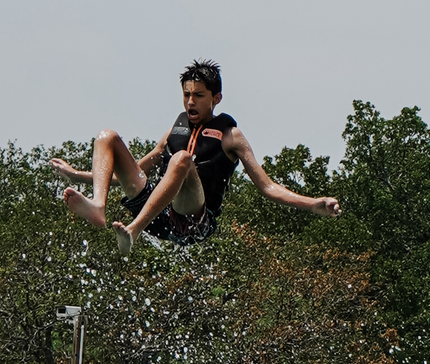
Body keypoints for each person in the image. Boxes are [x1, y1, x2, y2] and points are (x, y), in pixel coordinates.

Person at [52, 59, 340, 252]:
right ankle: (98, 207)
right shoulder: (174, 130)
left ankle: (133, 231)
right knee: (108, 137)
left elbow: (268, 187)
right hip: (158, 209)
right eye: (187, 94)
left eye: (199, 95)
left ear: (216, 99)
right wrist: (76, 174)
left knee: (181, 160)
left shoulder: (231, 136)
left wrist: (313, 203)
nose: (190, 102)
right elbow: (138, 170)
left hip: (193, 221)